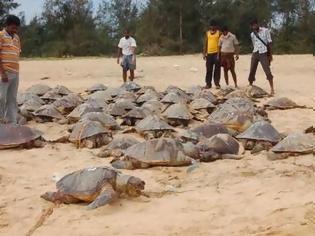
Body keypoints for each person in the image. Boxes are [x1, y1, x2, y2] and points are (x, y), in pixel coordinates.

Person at [0, 15, 21, 124]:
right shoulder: (1, 35)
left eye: (16, 28)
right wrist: (2, 72)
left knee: (12, 98)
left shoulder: (16, 38)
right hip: (5, 72)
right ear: (7, 26)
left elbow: (17, 53)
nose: (15, 30)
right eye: (13, 28)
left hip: (15, 72)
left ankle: (12, 122)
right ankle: (1, 120)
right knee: (1, 98)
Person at [248, 19, 275, 95]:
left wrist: (270, 54)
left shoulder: (265, 31)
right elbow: (254, 44)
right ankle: (250, 85)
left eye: (255, 24)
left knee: (267, 70)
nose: (254, 26)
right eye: (252, 25)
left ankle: (272, 88)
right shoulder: (252, 34)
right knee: (252, 70)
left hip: (264, 52)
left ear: (258, 24)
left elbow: (269, 42)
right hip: (255, 52)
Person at [203, 21, 221, 89]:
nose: (212, 27)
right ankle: (208, 84)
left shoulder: (219, 33)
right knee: (208, 69)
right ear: (210, 26)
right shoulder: (207, 33)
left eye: (214, 26)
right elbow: (205, 43)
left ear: (216, 26)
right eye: (211, 26)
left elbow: (221, 42)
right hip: (209, 53)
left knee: (217, 69)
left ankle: (217, 83)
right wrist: (204, 53)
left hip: (217, 53)